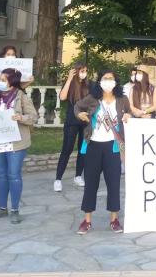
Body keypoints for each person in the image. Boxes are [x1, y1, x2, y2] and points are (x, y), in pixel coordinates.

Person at [75, 70, 130, 234]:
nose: (108, 81)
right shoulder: (92, 98)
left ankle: (114, 220)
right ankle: (87, 220)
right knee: (90, 183)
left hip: (113, 147)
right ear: (99, 81)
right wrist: (80, 115)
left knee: (114, 183)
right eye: (105, 78)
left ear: (116, 82)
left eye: (111, 78)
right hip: (93, 145)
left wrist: (128, 115)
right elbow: (77, 106)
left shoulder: (122, 99)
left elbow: (130, 113)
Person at [0, 68, 37, 224]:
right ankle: (1, 208)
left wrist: (20, 117)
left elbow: (33, 116)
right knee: (1, 175)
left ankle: (14, 210)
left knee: (14, 175)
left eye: (3, 79)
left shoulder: (21, 97)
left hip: (16, 143)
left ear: (12, 82)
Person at [54, 63, 90, 192]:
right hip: (72, 120)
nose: (84, 73)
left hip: (85, 121)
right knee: (67, 149)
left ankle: (78, 176)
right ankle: (58, 179)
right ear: (75, 71)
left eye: (85, 71)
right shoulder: (71, 84)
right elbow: (62, 97)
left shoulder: (88, 85)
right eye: (81, 70)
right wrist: (69, 79)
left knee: (83, 150)